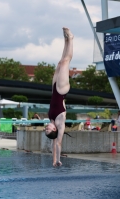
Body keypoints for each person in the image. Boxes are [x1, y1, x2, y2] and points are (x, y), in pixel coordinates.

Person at [45, 27, 74, 167]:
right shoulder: (60, 123)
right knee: (65, 62)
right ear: (55, 129)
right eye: (48, 129)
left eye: (46, 129)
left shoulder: (51, 118)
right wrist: (58, 160)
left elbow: (52, 144)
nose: (46, 127)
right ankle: (71, 39)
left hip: (54, 89)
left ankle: (65, 39)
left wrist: (52, 161)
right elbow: (57, 142)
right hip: (61, 90)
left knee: (59, 62)